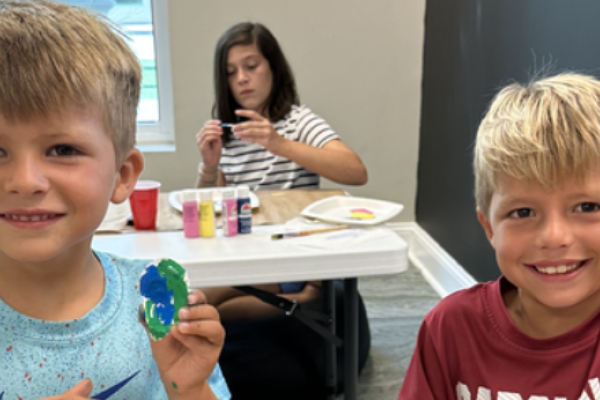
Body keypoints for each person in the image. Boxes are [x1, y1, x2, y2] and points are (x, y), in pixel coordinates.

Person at [0, 1, 230, 399]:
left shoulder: (154, 293)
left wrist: (189, 387)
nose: (25, 182)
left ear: (123, 176)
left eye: (62, 149)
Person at [398, 72, 600, 399]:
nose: (554, 237)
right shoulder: (451, 328)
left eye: (588, 206)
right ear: (489, 227)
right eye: (522, 213)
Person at [195, 22, 368, 322]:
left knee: (201, 298)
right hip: (245, 252)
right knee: (207, 304)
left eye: (251, 66)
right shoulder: (229, 133)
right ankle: (301, 301)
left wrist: (279, 143)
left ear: (273, 68)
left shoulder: (298, 121)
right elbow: (207, 213)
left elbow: (355, 172)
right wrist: (209, 167)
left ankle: (303, 298)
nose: (242, 78)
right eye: (230, 72)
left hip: (287, 252)